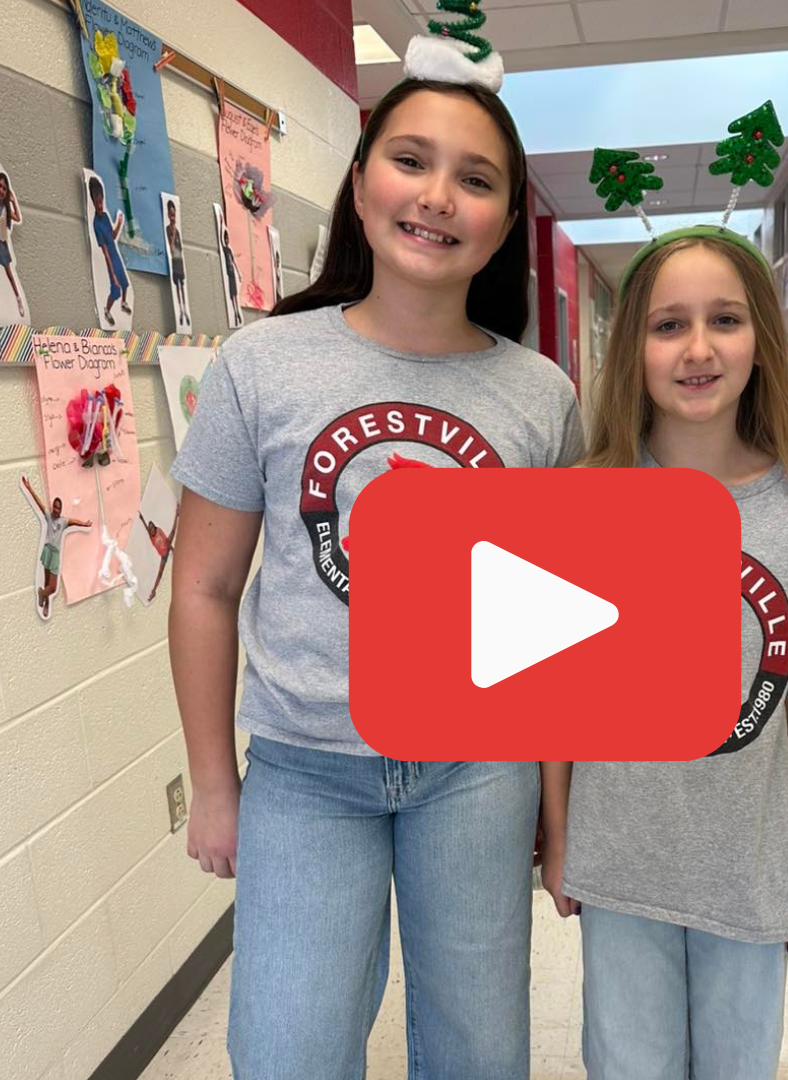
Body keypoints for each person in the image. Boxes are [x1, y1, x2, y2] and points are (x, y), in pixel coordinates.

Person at [167, 23, 584, 1080]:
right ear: (361, 185)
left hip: (476, 772)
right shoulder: (261, 368)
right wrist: (216, 785)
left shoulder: (542, 399)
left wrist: (559, 806)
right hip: (305, 773)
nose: (438, 195)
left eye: (476, 179)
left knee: (479, 1054)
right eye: (411, 161)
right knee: (288, 1052)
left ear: (502, 224)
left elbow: (552, 632)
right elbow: (206, 589)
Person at [540, 224, 788, 1080]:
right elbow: (551, 695)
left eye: (725, 320)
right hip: (620, 861)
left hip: (747, 869)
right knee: (628, 1065)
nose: (698, 349)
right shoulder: (583, 503)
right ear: (635, 350)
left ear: (762, 342)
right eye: (668, 326)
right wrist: (558, 835)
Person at [21, 475, 91, 619]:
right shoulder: (48, 515)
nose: (56, 509)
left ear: (61, 509)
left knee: (52, 587)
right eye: (55, 506)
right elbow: (39, 503)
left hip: (55, 554)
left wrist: (84, 524)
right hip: (47, 550)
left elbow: (74, 521)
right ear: (53, 506)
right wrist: (29, 488)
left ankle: (42, 594)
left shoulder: (63, 521)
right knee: (47, 582)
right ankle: (46, 603)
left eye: (59, 508)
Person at [88, 175, 131, 326]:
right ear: (92, 202)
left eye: (101, 202)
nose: (100, 206)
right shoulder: (96, 224)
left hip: (116, 256)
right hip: (110, 260)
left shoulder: (105, 216)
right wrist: (112, 275)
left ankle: (124, 303)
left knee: (125, 283)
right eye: (97, 202)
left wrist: (119, 223)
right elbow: (105, 253)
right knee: (115, 289)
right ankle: (107, 309)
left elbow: (112, 236)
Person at [0, 171, 25, 323]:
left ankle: (18, 298)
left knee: (10, 274)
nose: (2, 190)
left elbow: (17, 217)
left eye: (4, 188)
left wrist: (12, 200)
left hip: (2, 241)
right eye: (0, 186)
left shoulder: (5, 207)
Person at [140, 504, 179, 602]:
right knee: (159, 574)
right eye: (150, 528)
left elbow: (166, 541)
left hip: (167, 545)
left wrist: (172, 549)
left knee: (173, 531)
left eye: (152, 526)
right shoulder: (151, 536)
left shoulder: (159, 531)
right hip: (163, 555)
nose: (152, 528)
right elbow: (146, 528)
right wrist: (142, 519)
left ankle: (177, 514)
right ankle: (153, 591)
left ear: (154, 527)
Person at [166, 199, 189, 326]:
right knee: (178, 287)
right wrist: (173, 233)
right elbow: (170, 247)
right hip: (173, 262)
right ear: (168, 215)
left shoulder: (178, 232)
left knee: (183, 286)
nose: (173, 217)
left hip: (180, 261)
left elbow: (180, 248)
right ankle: (180, 310)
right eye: (171, 214)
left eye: (174, 214)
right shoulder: (168, 230)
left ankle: (185, 310)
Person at [220, 226, 243, 327]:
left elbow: (234, 262)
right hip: (228, 275)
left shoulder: (229, 250)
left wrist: (238, 273)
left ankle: (237, 311)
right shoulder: (224, 250)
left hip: (232, 273)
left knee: (235, 294)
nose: (226, 240)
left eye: (227, 238)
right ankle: (235, 312)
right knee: (231, 295)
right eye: (225, 238)